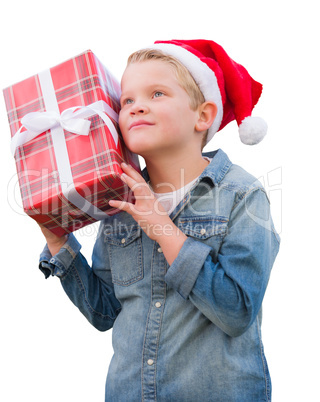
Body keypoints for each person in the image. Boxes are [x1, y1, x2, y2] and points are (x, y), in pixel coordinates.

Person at [39, 39, 280, 401]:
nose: (136, 108)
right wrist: (59, 242)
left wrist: (161, 227)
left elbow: (236, 312)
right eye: (128, 101)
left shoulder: (242, 195)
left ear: (202, 115)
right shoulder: (120, 202)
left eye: (157, 94)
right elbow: (106, 312)